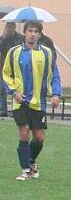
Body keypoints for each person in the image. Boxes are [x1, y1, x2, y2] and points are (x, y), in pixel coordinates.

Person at [2, 20, 61, 181]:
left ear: (40, 34)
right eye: (30, 31)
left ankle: (32, 161)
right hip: (20, 102)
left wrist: (56, 94)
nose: (33, 34)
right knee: (24, 132)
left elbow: (54, 75)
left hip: (39, 103)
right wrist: (14, 92)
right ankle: (25, 170)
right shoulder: (14, 52)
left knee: (39, 137)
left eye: (36, 31)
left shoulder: (47, 53)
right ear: (25, 33)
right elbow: (6, 74)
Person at [0, 21, 23, 117]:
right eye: (7, 26)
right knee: (2, 88)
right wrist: (4, 38)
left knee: (17, 88)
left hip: (16, 66)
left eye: (11, 26)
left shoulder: (20, 38)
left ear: (14, 27)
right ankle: (2, 110)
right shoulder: (3, 38)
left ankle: (16, 109)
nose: (9, 28)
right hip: (4, 66)